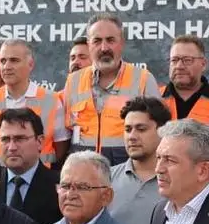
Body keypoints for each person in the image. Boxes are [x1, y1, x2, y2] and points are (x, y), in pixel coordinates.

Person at [62, 13, 161, 165]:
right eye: (97, 41)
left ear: (122, 43)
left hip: (127, 171)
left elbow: (158, 132)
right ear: (89, 45)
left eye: (110, 40)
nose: (104, 48)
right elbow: (67, 132)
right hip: (84, 170)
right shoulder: (73, 81)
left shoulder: (143, 79)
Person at [0, 39, 70, 166]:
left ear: (30, 65)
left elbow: (61, 147)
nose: (7, 67)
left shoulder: (51, 101)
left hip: (40, 177)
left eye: (14, 60)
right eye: (3, 61)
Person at [107, 96, 169, 224]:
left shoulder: (177, 183)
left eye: (141, 129)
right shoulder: (105, 178)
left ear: (163, 131)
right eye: (128, 129)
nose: (132, 136)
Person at [0, 108, 62, 224]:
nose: (11, 147)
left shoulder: (61, 187)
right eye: (5, 139)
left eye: (20, 139)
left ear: (39, 142)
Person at [160, 35, 209, 131]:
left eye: (187, 60)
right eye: (174, 60)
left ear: (203, 64)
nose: (179, 66)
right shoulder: (155, 98)